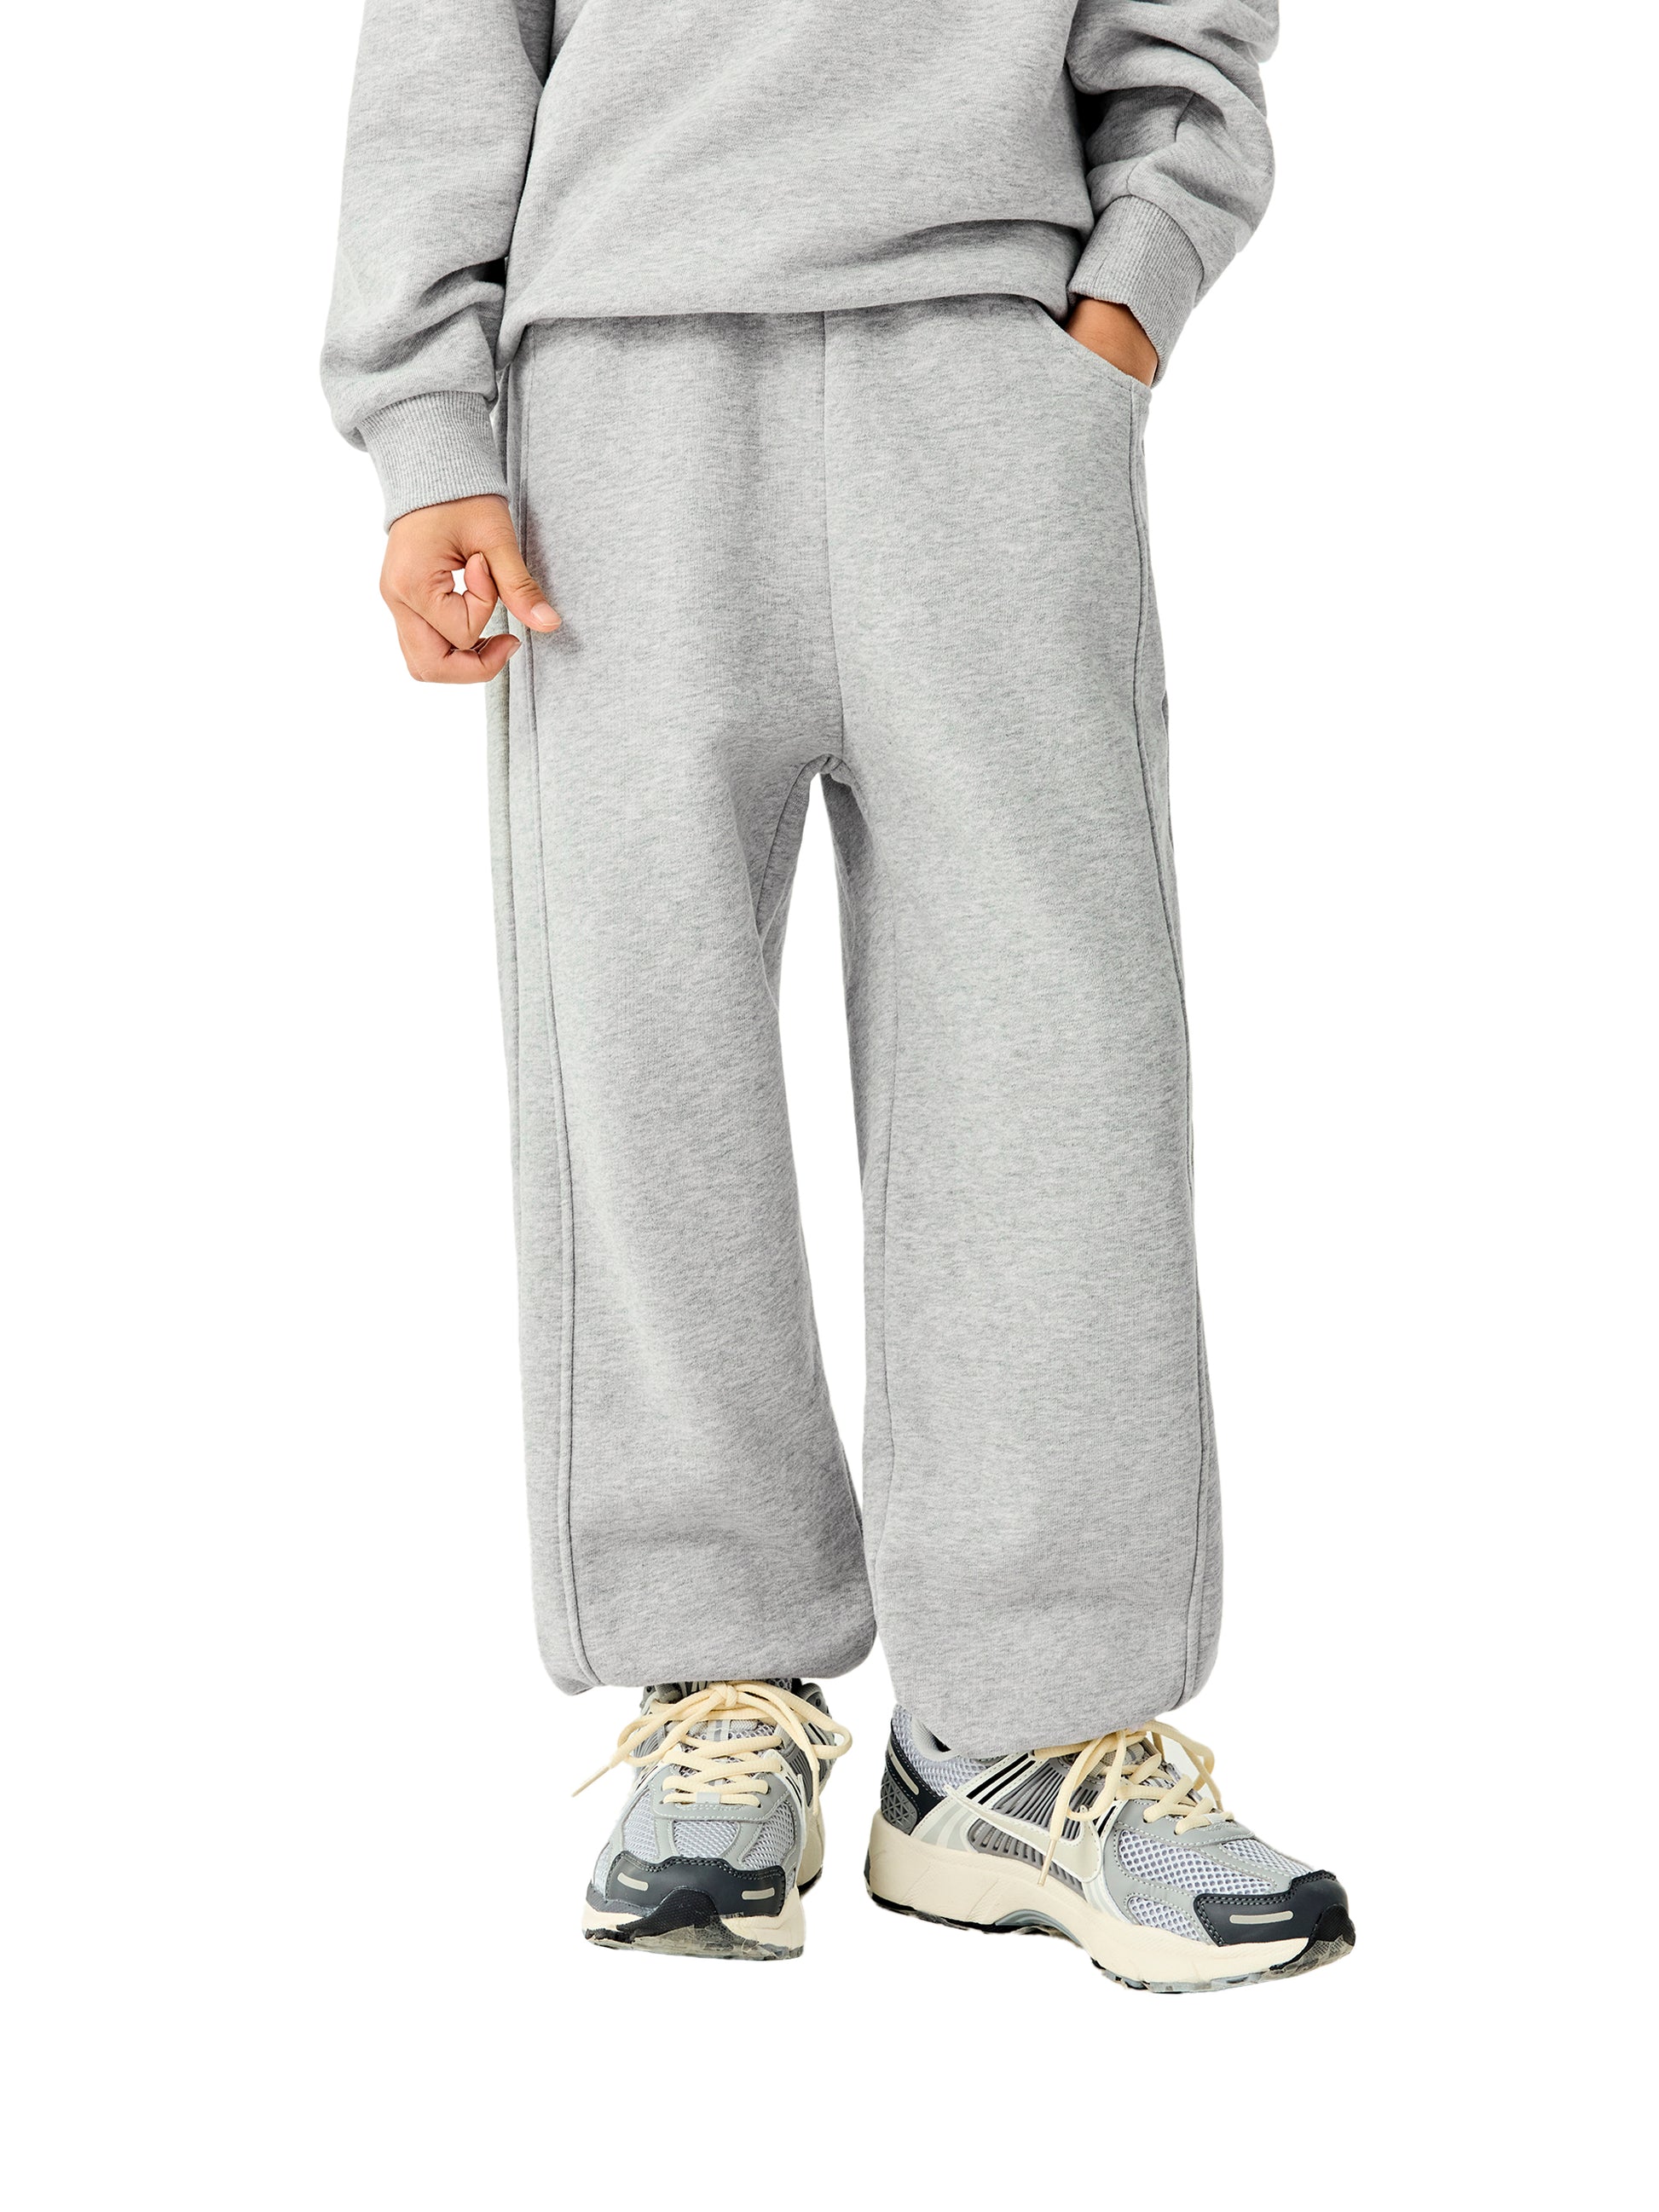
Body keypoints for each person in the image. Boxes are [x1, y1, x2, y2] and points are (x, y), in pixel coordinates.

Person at [323, 0, 1354, 1990]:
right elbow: (449, 38)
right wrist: (424, 421)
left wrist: (1125, 298)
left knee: (1056, 1063)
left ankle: (1023, 1733)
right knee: (638, 1053)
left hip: (986, 359)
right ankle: (716, 1679)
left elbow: (1188, 32)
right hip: (613, 389)